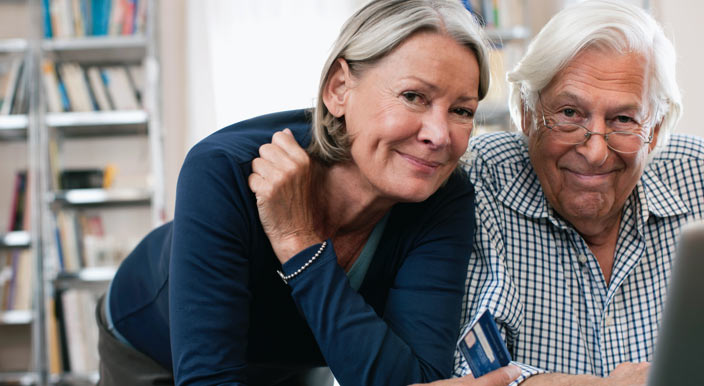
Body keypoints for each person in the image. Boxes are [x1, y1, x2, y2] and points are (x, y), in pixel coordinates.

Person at [94, 1, 504, 385]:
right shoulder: (225, 169)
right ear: (339, 89)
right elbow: (208, 377)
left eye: (462, 111)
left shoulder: (445, 196)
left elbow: (416, 380)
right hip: (151, 347)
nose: (439, 135)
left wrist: (299, 243)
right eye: (413, 96)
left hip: (294, 362)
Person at [444, 1, 704, 385]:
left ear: (655, 129)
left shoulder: (696, 177)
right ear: (527, 113)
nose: (596, 152)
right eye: (569, 113)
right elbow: (467, 370)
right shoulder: (479, 180)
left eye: (623, 119)